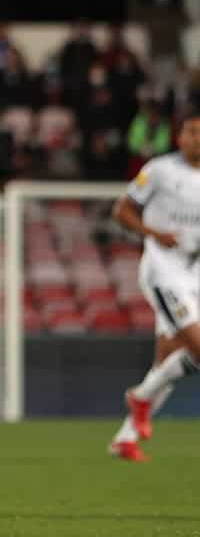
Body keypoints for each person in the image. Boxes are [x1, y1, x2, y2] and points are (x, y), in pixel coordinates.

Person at [109, 115, 200, 462]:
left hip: (195, 272)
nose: (196, 139)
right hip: (164, 270)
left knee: (167, 358)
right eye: (191, 132)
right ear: (180, 137)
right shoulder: (160, 170)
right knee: (196, 349)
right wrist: (154, 233)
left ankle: (126, 436)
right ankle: (142, 398)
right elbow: (123, 210)